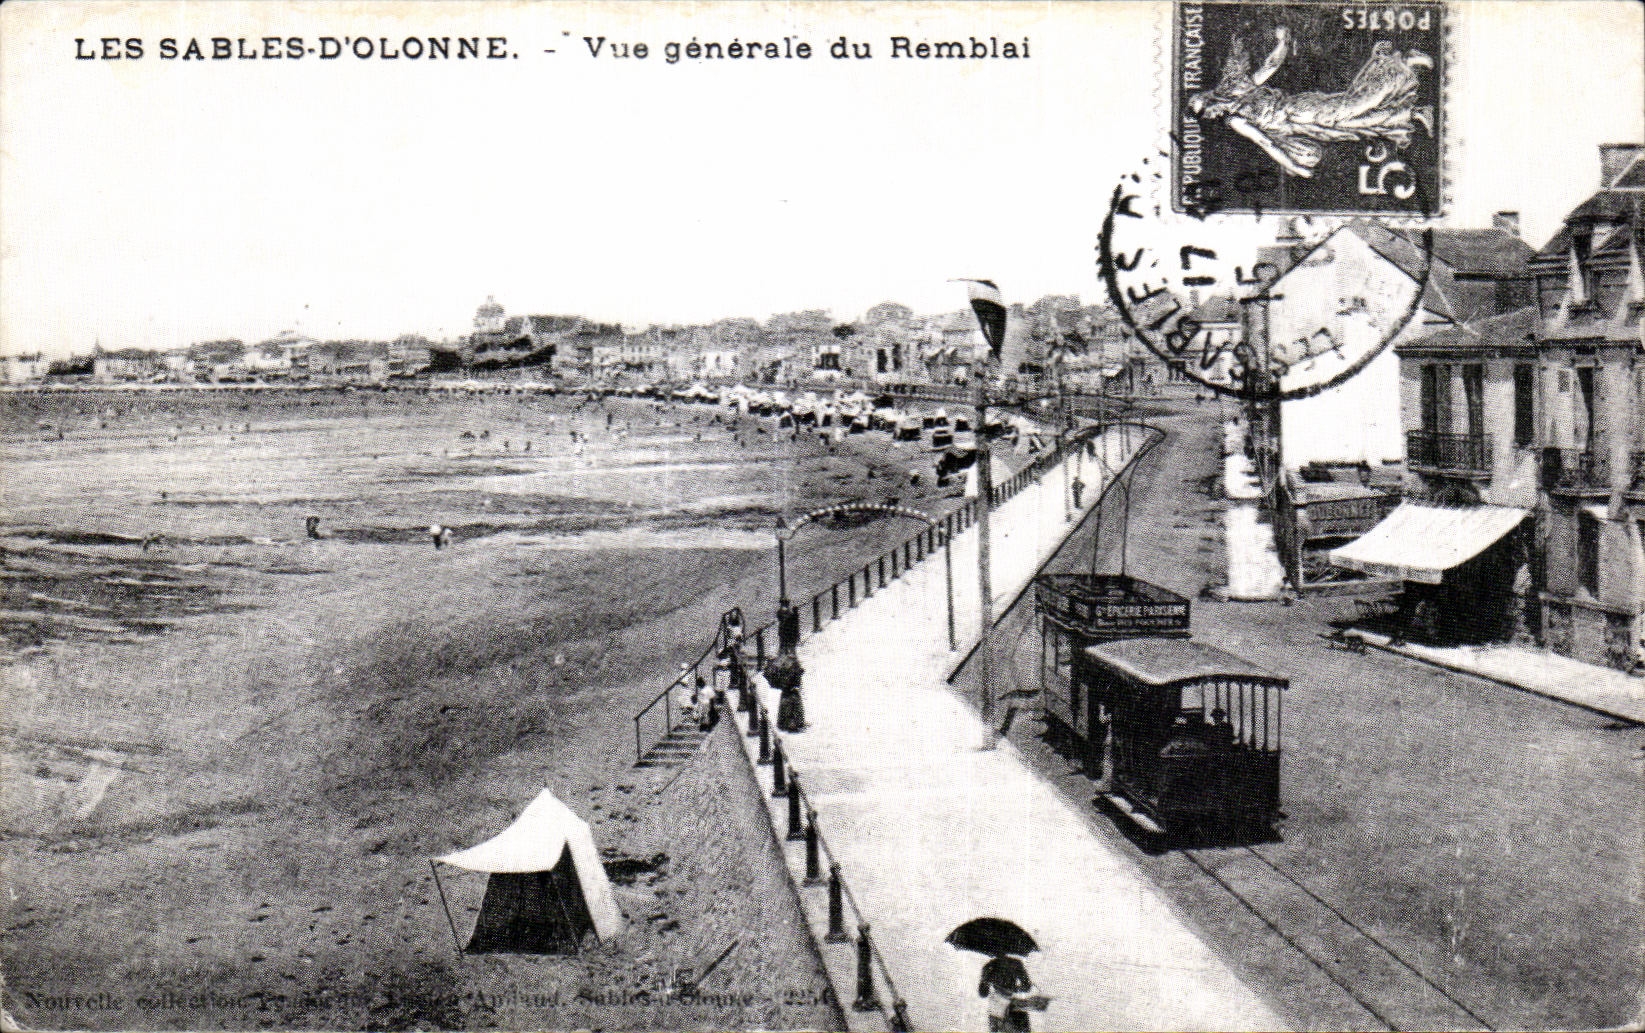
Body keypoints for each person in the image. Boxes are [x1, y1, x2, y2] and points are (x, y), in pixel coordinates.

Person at [979, 954, 1035, 1032]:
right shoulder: (1016, 963)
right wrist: (1014, 989)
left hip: (997, 1006)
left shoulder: (989, 966)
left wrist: (986, 980)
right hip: (1011, 1003)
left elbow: (983, 993)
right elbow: (1027, 987)